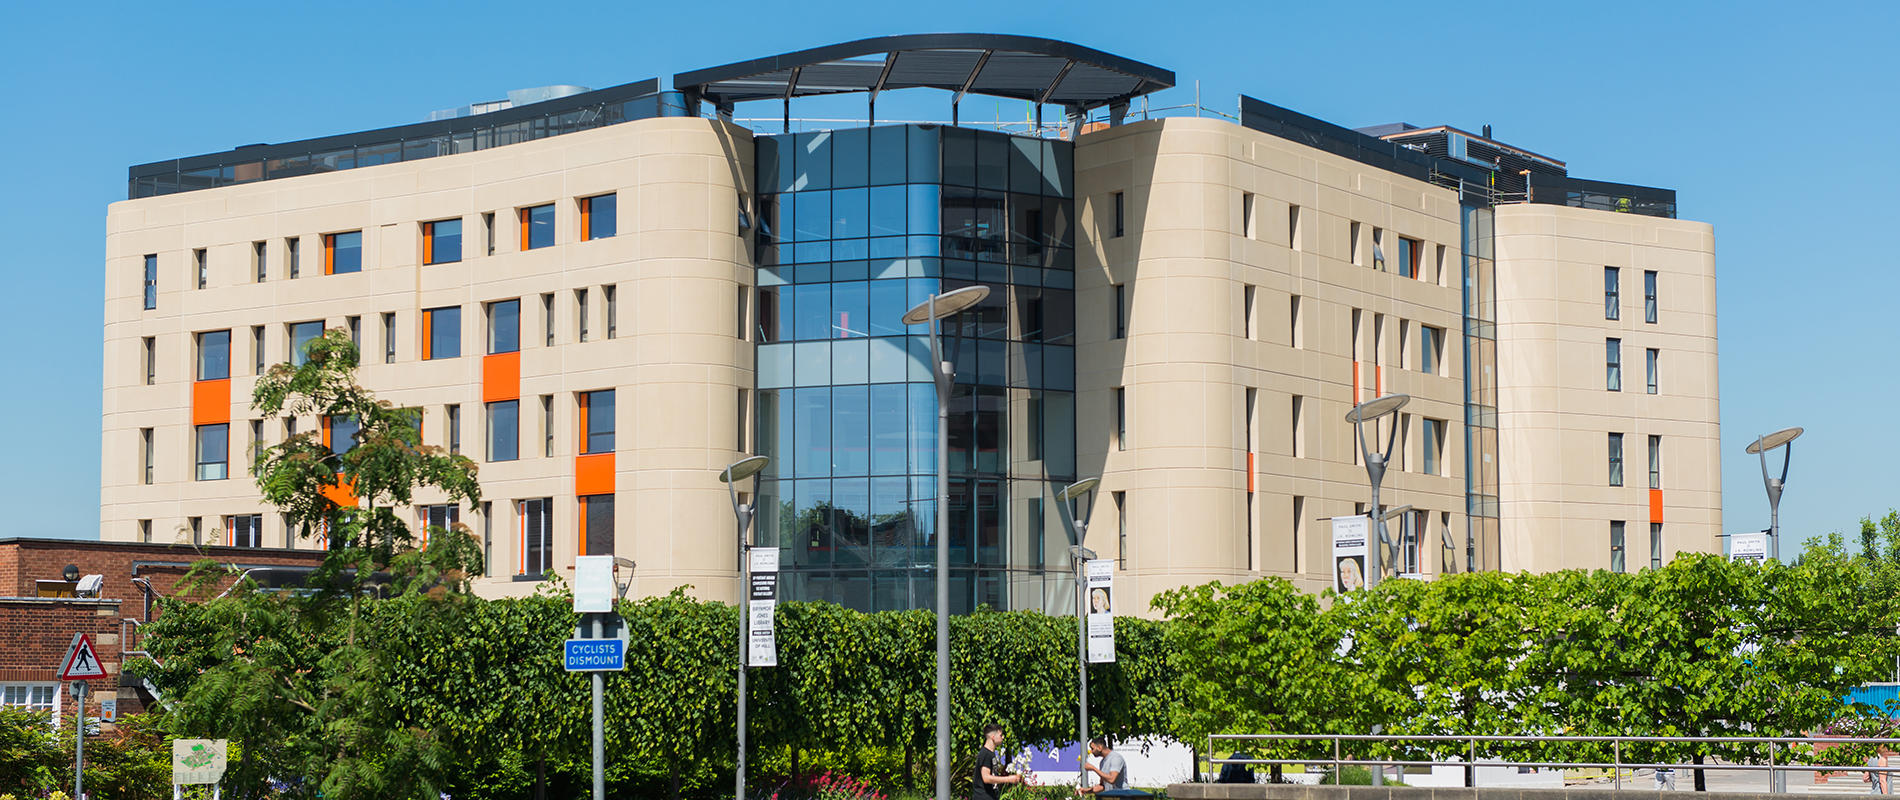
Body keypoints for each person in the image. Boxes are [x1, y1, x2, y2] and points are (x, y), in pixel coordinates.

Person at [974, 723, 1024, 800]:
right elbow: (986, 778)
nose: (1003, 737)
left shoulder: (991, 754)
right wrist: (1008, 779)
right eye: (1000, 735)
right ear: (993, 737)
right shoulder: (985, 754)